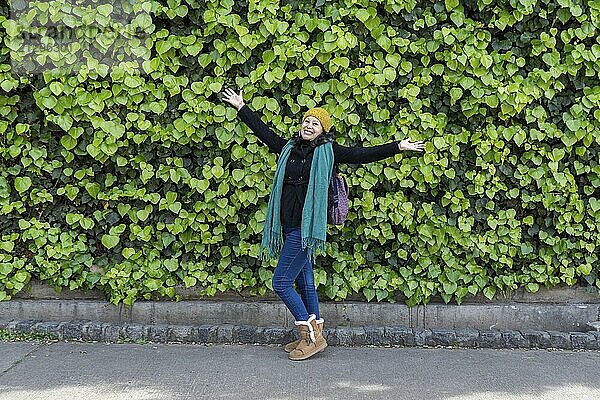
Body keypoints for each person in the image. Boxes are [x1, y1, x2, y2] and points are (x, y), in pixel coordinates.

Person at [221, 88, 425, 360]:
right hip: (288, 224)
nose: (309, 125)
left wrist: (397, 146)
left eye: (315, 123)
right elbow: (264, 132)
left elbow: (363, 154)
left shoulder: (330, 152)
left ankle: (310, 336)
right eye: (306, 121)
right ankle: (314, 332)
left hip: (307, 228)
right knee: (304, 280)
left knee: (281, 282)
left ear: (323, 129)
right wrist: (241, 107)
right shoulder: (289, 149)